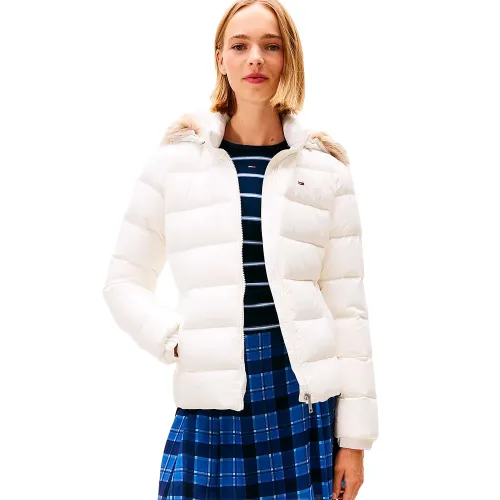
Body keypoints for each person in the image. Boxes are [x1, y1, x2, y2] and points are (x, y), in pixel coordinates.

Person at [102, 1, 379, 498]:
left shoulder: (325, 171)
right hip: (212, 393)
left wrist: (354, 441)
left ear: (289, 58)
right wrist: (176, 342)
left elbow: (348, 311)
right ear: (221, 59)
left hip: (300, 395)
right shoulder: (174, 164)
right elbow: (124, 282)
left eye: (271, 46)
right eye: (240, 45)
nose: (255, 58)